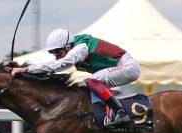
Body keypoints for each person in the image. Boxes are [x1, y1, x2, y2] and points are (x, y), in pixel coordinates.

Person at [11, 28, 141, 127]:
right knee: (83, 85)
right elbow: (54, 65)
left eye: (57, 52)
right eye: (53, 53)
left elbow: (59, 65)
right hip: (119, 67)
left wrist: (25, 69)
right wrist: (22, 69)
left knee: (91, 81)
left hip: (127, 66)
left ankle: (121, 114)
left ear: (68, 47)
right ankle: (100, 116)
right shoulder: (72, 47)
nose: (56, 56)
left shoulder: (80, 48)